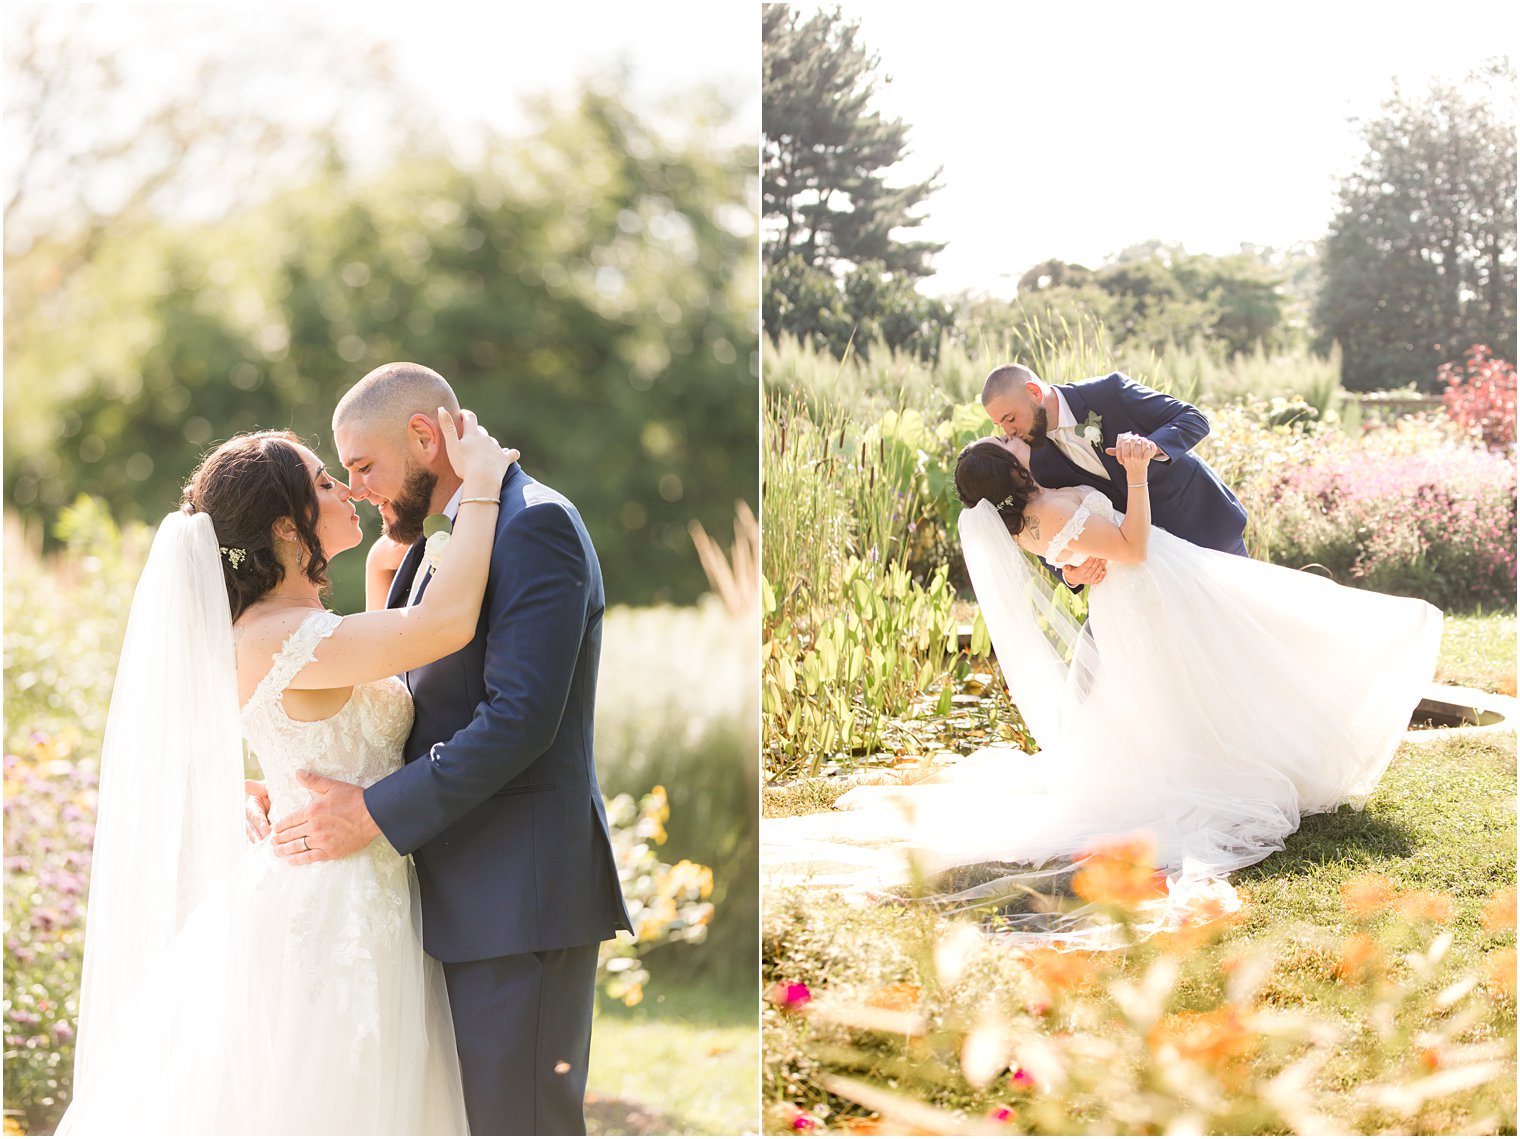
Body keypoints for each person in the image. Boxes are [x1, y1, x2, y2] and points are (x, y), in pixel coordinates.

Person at [765, 431, 1441, 943]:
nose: (1012, 441)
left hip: (1132, 605)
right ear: (1010, 472)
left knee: (1186, 691)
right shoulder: (1050, 508)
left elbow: (1084, 563)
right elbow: (1135, 548)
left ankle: (1243, 753)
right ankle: (1245, 762)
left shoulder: (1026, 526)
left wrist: (1080, 569)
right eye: (1004, 445)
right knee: (1228, 667)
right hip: (1154, 593)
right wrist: (1138, 475)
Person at [59, 410, 513, 1133]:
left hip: (359, 884)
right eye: (327, 483)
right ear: (286, 529)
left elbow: (345, 709)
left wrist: (253, 781)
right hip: (334, 909)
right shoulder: (284, 636)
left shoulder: (288, 630)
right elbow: (447, 623)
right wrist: (485, 485)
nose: (348, 491)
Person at [246, 362, 634, 1136]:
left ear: (425, 436)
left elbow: (519, 718)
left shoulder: (534, 524)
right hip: (447, 901)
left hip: (515, 899)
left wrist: (371, 813)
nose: (357, 488)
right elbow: (394, 702)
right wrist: (277, 779)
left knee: (519, 1125)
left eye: (363, 467)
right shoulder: (436, 548)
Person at [980, 362, 1248, 590]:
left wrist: (1151, 447)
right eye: (1001, 424)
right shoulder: (1031, 457)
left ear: (1034, 392)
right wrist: (1069, 574)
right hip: (1148, 564)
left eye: (1010, 418)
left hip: (1204, 526)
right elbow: (1039, 516)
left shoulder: (1108, 391)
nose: (1008, 430)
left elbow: (1192, 418)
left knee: (1249, 622)